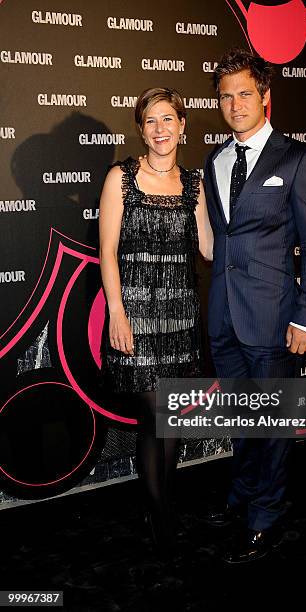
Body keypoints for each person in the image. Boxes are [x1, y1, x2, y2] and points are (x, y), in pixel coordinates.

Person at [203, 49, 306, 563]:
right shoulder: (215, 160)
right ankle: (242, 495)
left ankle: (267, 515)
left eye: (245, 94)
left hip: (276, 319)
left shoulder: (297, 158)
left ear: (265, 97)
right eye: (226, 96)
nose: (235, 105)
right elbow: (220, 241)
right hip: (224, 315)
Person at [99, 87, 213, 555]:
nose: (160, 129)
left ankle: (163, 504)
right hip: (138, 314)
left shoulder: (195, 185)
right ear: (141, 128)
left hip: (181, 315)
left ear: (183, 126)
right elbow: (106, 252)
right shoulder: (121, 177)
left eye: (168, 119)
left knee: (172, 417)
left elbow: (208, 247)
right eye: (151, 121)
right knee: (155, 413)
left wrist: (265, 244)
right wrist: (117, 312)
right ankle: (161, 512)